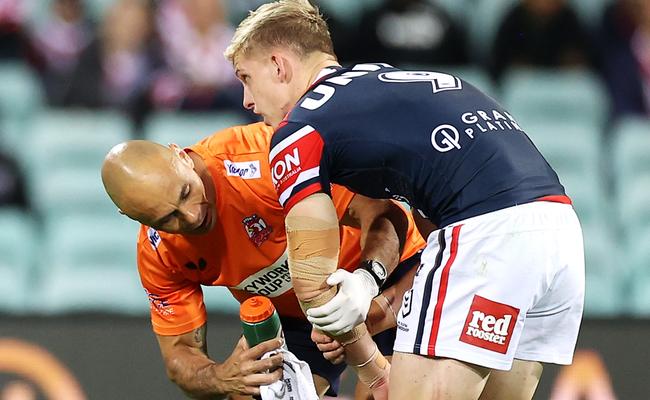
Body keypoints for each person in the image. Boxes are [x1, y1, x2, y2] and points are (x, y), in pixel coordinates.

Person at [224, 1, 585, 399]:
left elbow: (312, 276)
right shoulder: (385, 84)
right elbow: (426, 213)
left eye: (246, 77)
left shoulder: (300, 127)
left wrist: (364, 358)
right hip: (559, 233)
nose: (247, 101)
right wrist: (367, 281)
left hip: (486, 234)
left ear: (279, 66)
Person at [100, 122, 426, 399]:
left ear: (181, 155)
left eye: (185, 193)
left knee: (394, 392)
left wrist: (364, 286)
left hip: (386, 275)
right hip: (301, 320)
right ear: (131, 217)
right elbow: (179, 357)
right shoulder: (159, 253)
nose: (192, 216)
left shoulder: (262, 158)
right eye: (167, 218)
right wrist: (221, 376)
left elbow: (383, 212)